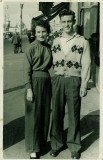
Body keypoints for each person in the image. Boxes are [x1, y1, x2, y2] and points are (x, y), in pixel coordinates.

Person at [50, 9, 91, 159]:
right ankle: (56, 144)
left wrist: (84, 84)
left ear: (74, 22)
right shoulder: (55, 41)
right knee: (56, 114)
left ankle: (74, 147)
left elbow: (87, 63)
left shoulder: (82, 41)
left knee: (74, 115)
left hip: (74, 80)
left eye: (69, 21)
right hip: (58, 80)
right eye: (64, 22)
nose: (67, 24)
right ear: (60, 23)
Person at [24, 19, 52, 159]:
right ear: (34, 33)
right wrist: (29, 88)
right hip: (34, 82)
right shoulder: (30, 48)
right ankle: (32, 148)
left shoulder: (48, 47)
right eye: (38, 32)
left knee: (45, 115)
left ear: (47, 32)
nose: (41, 34)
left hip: (47, 81)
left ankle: (41, 144)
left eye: (43, 31)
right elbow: (26, 70)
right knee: (33, 117)